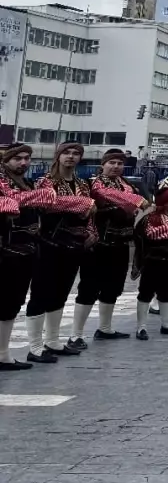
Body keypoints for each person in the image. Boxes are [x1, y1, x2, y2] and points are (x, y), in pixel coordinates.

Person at [71, 148, 150, 347]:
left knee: (113, 286)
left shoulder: (128, 185)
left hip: (122, 243)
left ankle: (105, 328)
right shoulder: (93, 184)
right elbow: (107, 196)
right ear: (102, 165)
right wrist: (135, 201)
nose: (116, 167)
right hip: (99, 244)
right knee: (89, 287)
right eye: (112, 163)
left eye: (120, 163)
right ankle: (76, 334)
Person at [25, 142, 94, 363]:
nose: (71, 157)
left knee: (61, 292)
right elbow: (50, 204)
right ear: (58, 156)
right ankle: (35, 346)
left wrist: (92, 231)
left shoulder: (82, 184)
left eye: (76, 154)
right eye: (67, 153)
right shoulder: (45, 182)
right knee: (41, 293)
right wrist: (82, 204)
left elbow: (91, 213)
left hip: (74, 244)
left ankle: (53, 340)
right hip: (49, 243)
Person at [1, 145, 43, 369]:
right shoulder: (2, 183)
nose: (23, 163)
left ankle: (3, 353)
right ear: (6, 160)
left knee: (12, 302)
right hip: (6, 250)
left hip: (27, 251)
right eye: (17, 158)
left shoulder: (28, 184)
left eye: (27, 158)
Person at [134, 186, 168, 339]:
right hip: (154, 260)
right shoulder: (151, 218)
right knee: (146, 292)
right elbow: (151, 234)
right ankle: (141, 327)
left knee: (167, 291)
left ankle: (166, 324)